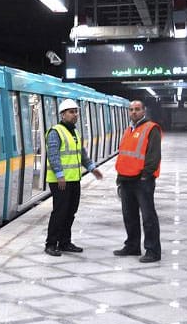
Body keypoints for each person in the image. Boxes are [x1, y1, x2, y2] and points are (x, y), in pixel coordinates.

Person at [44, 99, 103, 256]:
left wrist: (92, 168)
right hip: (60, 181)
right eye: (71, 112)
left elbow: (82, 154)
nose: (75, 115)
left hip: (74, 179)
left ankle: (65, 242)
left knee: (71, 212)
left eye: (76, 111)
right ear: (63, 115)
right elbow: (53, 155)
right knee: (60, 212)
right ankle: (50, 244)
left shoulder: (75, 132)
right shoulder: (55, 132)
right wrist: (59, 175)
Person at [114, 99, 162, 263]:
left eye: (137, 109)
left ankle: (153, 250)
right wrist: (119, 178)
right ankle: (132, 246)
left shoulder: (151, 129)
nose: (133, 112)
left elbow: (154, 156)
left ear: (144, 111)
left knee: (148, 217)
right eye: (131, 109)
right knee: (129, 216)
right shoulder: (128, 130)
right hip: (126, 180)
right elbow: (124, 155)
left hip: (142, 181)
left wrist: (145, 176)